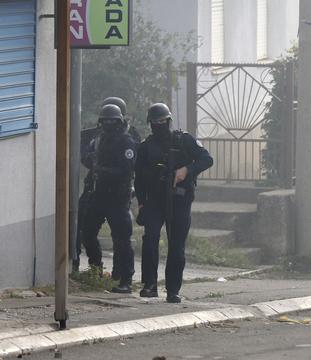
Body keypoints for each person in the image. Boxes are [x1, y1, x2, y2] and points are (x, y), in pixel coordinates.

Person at [135, 103, 213, 303]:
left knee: (176, 245)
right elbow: (139, 177)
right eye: (155, 122)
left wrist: (186, 170)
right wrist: (141, 202)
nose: (159, 125)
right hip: (154, 200)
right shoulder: (146, 147)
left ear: (168, 121)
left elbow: (207, 159)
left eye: (162, 121)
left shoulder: (183, 140)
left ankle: (172, 290)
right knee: (150, 239)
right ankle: (150, 285)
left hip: (179, 199)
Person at [74, 97, 135, 280]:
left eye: (112, 121)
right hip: (98, 194)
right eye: (105, 121)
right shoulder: (98, 139)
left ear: (120, 121)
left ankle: (123, 276)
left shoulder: (126, 141)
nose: (108, 124)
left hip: (118, 196)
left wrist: (103, 170)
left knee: (121, 239)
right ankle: (96, 268)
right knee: (87, 232)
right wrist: (92, 162)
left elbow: (127, 169)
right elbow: (88, 159)